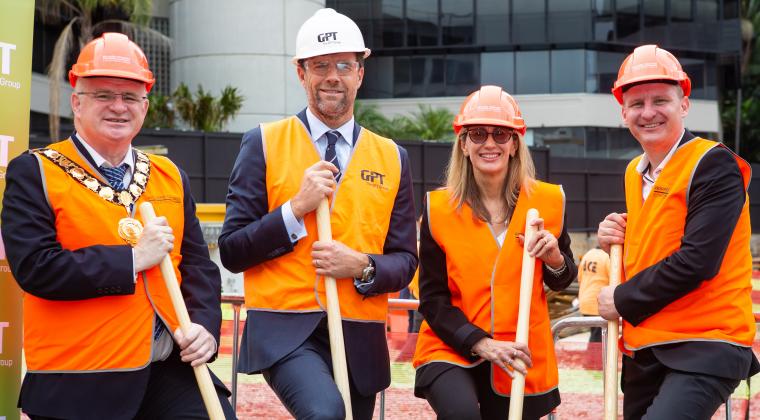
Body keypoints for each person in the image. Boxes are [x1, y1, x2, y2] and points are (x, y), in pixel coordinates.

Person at [0, 33, 235, 419]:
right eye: (104, 95)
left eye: (130, 97)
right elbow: (35, 268)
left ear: (144, 106)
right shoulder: (36, 171)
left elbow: (198, 269)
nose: (118, 107)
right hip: (79, 377)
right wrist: (133, 259)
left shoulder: (168, 174)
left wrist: (206, 328)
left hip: (170, 371)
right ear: (77, 102)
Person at [218, 8, 417, 420]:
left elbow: (404, 260)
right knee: (326, 414)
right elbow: (233, 250)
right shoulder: (263, 143)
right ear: (301, 72)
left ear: (360, 73)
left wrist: (362, 265)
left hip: (359, 336)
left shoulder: (393, 158)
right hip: (284, 330)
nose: (332, 76)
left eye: (344, 65)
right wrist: (295, 210)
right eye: (320, 65)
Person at [597, 44, 760, 419]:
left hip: (706, 342)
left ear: (683, 104)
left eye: (660, 100)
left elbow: (697, 261)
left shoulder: (713, 164)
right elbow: (653, 251)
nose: (648, 112)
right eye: (637, 104)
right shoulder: (634, 173)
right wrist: (615, 242)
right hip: (646, 348)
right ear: (623, 113)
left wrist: (621, 298)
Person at [412, 85, 577, 420]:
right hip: (451, 345)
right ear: (464, 143)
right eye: (478, 134)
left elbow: (562, 279)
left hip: (520, 349)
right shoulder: (439, 209)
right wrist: (479, 343)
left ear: (515, 144)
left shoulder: (546, 202)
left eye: (501, 135)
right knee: (462, 414)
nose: (489, 143)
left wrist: (555, 260)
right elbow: (432, 300)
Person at [577, 247, 610, 342]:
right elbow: (615, 280)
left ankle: (593, 355)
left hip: (585, 302)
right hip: (598, 304)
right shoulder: (607, 257)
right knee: (598, 338)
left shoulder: (588, 255)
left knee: (595, 334)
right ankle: (594, 356)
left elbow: (580, 278)